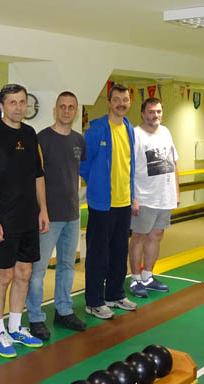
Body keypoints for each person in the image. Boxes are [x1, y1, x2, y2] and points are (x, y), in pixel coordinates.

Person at [0, 83, 50, 358]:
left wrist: (43, 210)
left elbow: (38, 176)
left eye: (22, 102)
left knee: (24, 273)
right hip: (3, 219)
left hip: (28, 218)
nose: (18, 107)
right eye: (12, 102)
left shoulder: (30, 134)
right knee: (3, 275)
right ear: (2, 106)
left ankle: (15, 327)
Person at [26, 91, 86, 339]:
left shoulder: (78, 140)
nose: (66, 111)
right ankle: (35, 317)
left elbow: (77, 172)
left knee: (66, 267)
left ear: (76, 111)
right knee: (38, 270)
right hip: (47, 217)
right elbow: (33, 178)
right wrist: (41, 211)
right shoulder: (42, 139)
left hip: (72, 215)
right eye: (62, 106)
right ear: (55, 110)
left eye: (71, 107)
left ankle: (63, 310)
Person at [80, 83, 137, 320]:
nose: (121, 104)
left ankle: (115, 294)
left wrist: (132, 197)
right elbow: (83, 165)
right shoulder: (96, 131)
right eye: (117, 100)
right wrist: (97, 186)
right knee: (98, 256)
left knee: (119, 252)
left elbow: (129, 164)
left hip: (124, 203)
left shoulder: (129, 129)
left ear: (129, 102)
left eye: (125, 100)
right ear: (109, 102)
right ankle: (94, 302)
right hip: (102, 205)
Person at [129, 97, 179, 297]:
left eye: (158, 111)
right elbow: (128, 168)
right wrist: (133, 198)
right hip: (144, 198)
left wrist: (176, 191)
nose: (155, 115)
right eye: (151, 112)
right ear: (143, 114)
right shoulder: (135, 134)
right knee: (138, 238)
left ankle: (148, 276)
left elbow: (174, 162)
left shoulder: (165, 132)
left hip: (164, 197)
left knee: (156, 237)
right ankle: (135, 279)